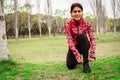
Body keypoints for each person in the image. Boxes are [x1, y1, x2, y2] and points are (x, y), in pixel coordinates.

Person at [64, 3, 96, 73]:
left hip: (84, 45)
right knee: (70, 66)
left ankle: (85, 63)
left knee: (82, 36)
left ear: (82, 12)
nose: (77, 13)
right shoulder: (68, 25)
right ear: (71, 13)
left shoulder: (87, 24)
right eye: (74, 11)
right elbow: (70, 41)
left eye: (79, 11)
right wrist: (77, 55)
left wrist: (92, 54)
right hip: (74, 48)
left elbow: (92, 39)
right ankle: (78, 59)